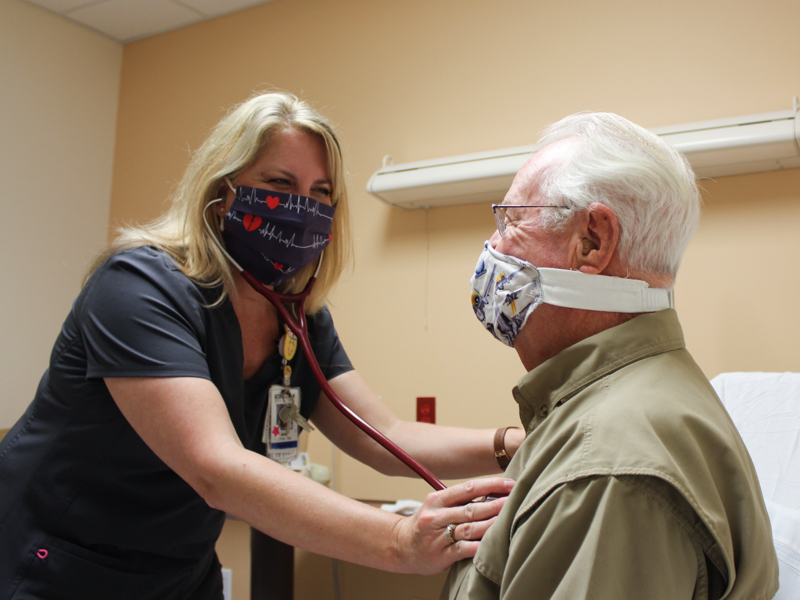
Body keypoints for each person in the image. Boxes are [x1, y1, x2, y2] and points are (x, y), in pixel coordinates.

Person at [0, 91, 521, 600]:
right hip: (58, 560)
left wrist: (512, 442)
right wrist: (398, 542)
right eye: (279, 183)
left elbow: (384, 435)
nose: (302, 208)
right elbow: (216, 469)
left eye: (321, 193)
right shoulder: (138, 286)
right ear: (222, 193)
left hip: (179, 569)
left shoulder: (297, 317)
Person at [443, 112, 779, 600]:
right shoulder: (636, 403)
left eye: (511, 220)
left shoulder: (607, 471)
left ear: (593, 241)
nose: (493, 247)